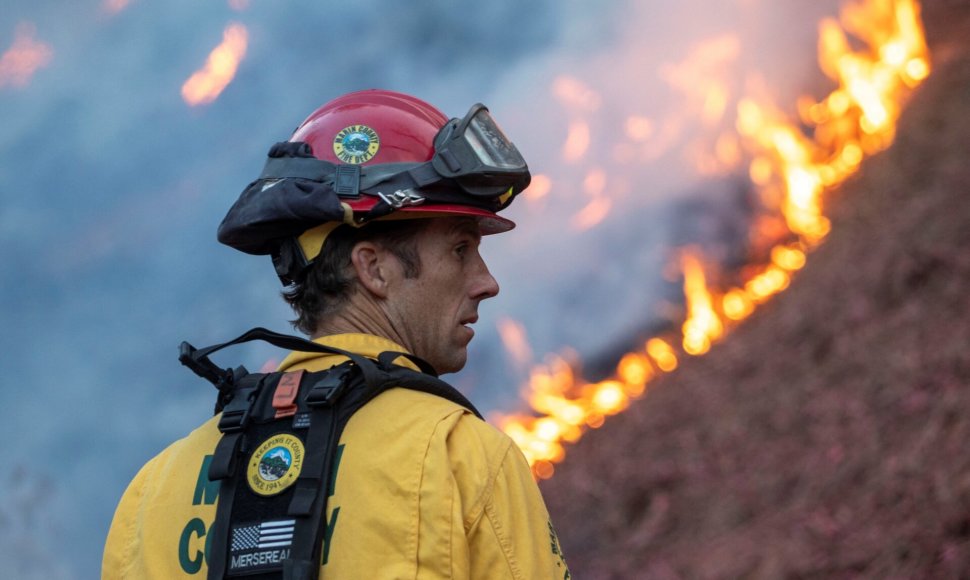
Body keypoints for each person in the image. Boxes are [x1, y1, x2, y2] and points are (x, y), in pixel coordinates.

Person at [103, 89, 570, 579]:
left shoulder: (150, 497)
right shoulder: (462, 459)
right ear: (373, 268)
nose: (486, 282)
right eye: (459, 249)